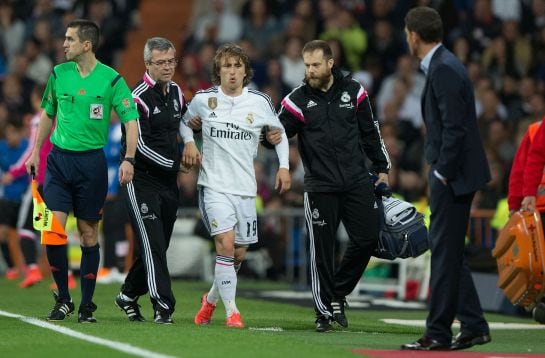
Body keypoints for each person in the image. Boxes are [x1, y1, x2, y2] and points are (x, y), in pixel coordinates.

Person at [271, 39, 390, 332]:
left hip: (356, 181)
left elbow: (369, 130)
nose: (310, 70)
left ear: (329, 63)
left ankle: (337, 291)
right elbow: (277, 131)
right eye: (306, 65)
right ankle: (323, 312)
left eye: (315, 65)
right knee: (322, 251)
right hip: (320, 185)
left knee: (368, 238)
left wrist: (382, 168)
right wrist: (267, 136)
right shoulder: (295, 100)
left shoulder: (355, 91)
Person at [25, 19, 139, 323]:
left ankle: (87, 305)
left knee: (88, 234)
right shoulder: (58, 74)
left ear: (86, 45)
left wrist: (129, 158)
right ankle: (63, 298)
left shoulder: (112, 80)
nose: (63, 44)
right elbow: (47, 113)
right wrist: (36, 151)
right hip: (59, 162)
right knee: (53, 232)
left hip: (91, 164)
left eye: (69, 39)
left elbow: (130, 120)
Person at [401, 7, 491, 350]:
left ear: (413, 35)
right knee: (449, 252)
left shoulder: (443, 70)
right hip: (455, 175)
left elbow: (455, 129)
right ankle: (474, 325)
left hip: (452, 178)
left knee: (442, 253)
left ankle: (437, 332)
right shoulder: (445, 65)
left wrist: (441, 173)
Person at [188, 43, 291, 328]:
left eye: (237, 66)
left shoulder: (259, 102)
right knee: (226, 244)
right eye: (226, 66)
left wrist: (283, 166)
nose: (232, 72)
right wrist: (189, 141)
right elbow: (185, 122)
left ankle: (209, 301)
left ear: (245, 71)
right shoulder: (203, 99)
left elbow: (278, 134)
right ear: (218, 71)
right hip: (213, 186)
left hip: (245, 189)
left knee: (239, 253)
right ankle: (232, 312)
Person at [114, 37, 198, 324]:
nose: (167, 67)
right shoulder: (135, 97)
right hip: (141, 181)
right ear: (147, 64)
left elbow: (185, 120)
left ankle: (127, 295)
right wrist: (177, 165)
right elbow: (140, 147)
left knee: (157, 245)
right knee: (152, 245)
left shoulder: (176, 91)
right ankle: (163, 306)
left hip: (167, 183)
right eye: (160, 62)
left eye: (171, 61)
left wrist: (190, 141)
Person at [509, 119, 545, 324]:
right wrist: (516, 203)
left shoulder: (534, 130)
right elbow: (522, 169)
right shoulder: (534, 131)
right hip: (537, 209)